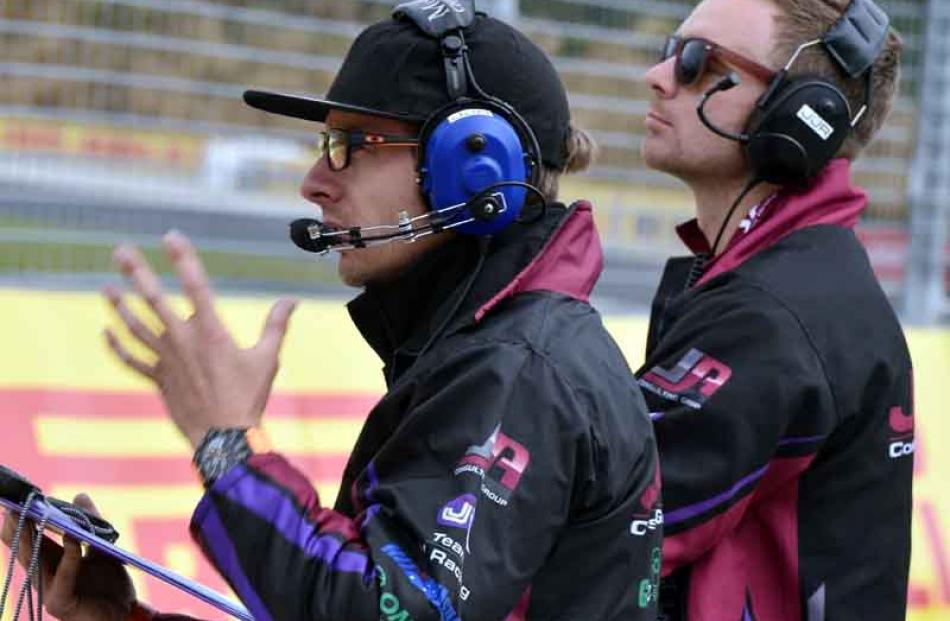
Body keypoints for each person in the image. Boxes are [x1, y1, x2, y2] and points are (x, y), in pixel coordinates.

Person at [3, 3, 662, 620]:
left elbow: (387, 607)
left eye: (351, 145)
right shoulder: (491, 351)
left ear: (473, 170)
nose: (314, 182)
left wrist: (227, 445)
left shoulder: (519, 372)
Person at [634, 0, 912, 618]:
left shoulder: (770, 317)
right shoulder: (801, 279)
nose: (659, 76)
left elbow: (601, 532)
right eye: (669, 50)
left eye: (698, 62)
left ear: (798, 114)